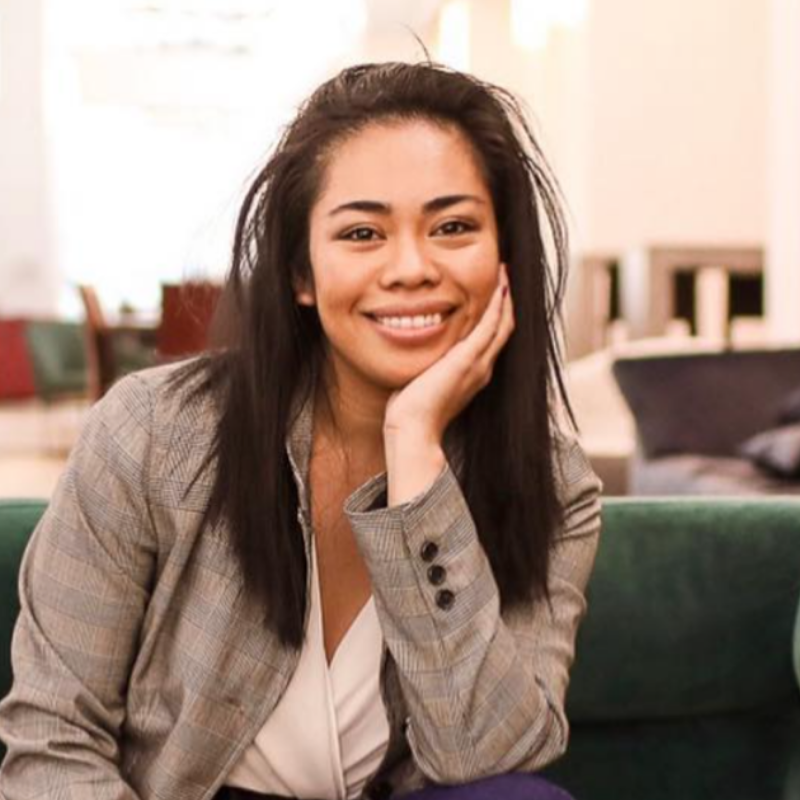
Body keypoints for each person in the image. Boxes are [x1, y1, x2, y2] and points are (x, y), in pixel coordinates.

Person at [0, 61, 602, 800]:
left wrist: (414, 453)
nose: (411, 267)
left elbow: (483, 756)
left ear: (504, 257)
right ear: (301, 275)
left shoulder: (556, 484)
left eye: (453, 226)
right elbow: (50, 743)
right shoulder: (151, 432)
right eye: (361, 232)